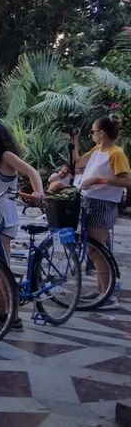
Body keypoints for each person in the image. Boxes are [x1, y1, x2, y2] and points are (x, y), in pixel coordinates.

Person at [0, 122, 45, 331]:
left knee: (1, 267)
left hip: (5, 219)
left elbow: (32, 172)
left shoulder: (6, 156)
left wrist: (38, 190)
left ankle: (13, 318)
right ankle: (0, 311)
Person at [73, 116, 130, 310]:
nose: (92, 134)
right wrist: (74, 142)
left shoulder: (116, 153)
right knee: (95, 249)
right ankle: (102, 291)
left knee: (97, 250)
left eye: (93, 131)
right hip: (90, 201)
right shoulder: (98, 150)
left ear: (102, 133)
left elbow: (127, 181)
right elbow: (78, 163)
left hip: (103, 204)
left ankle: (108, 295)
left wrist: (100, 180)